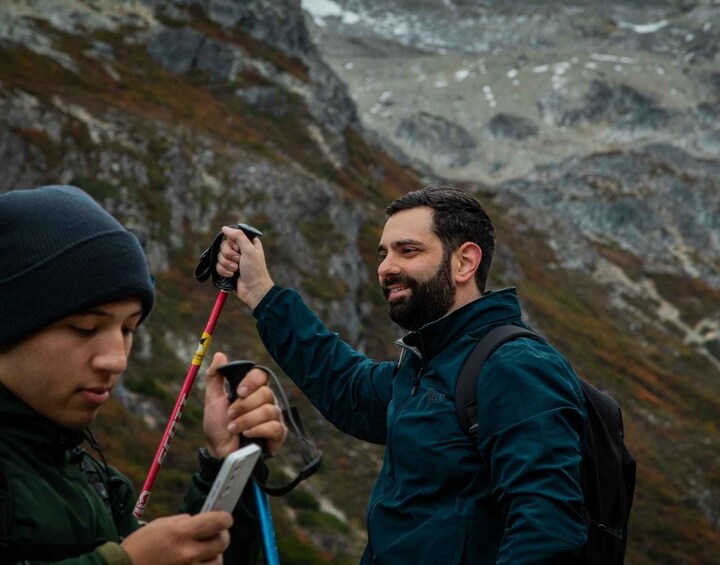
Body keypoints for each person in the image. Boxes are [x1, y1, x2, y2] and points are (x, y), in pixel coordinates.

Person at [216, 185, 588, 564]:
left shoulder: (516, 366)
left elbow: (547, 530)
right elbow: (346, 386)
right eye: (384, 253)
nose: (386, 267)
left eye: (407, 250)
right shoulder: (427, 366)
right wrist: (261, 292)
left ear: (465, 262)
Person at [0, 185, 287, 564]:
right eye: (85, 328)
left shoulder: (92, 478)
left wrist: (228, 464)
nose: (116, 359)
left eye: (128, 329)